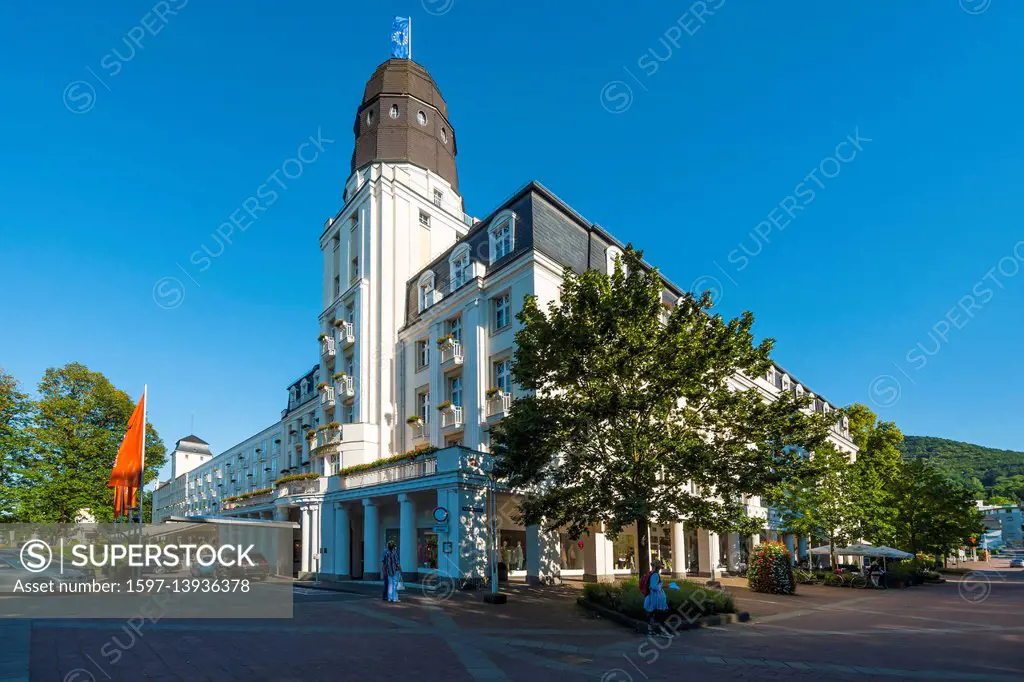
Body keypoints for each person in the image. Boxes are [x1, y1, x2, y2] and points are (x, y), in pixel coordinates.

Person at [643, 559, 669, 633]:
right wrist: (663, 586)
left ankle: (650, 630)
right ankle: (662, 629)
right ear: (657, 567)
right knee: (661, 613)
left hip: (651, 596)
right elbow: (653, 586)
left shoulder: (650, 573)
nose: (660, 568)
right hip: (656, 597)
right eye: (659, 567)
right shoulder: (655, 575)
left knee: (652, 613)